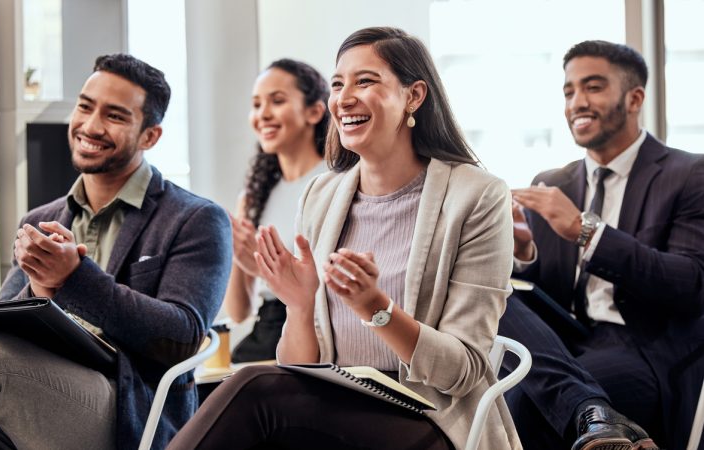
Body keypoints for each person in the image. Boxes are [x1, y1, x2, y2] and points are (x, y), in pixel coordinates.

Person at [167, 27, 520, 450]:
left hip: (432, 418)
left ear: (414, 96)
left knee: (254, 389)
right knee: (252, 390)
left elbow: (461, 371)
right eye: (338, 84)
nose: (344, 97)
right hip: (335, 405)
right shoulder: (323, 195)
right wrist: (298, 307)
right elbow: (300, 366)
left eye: (365, 81)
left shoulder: (477, 196)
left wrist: (376, 308)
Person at [0, 54, 232, 450]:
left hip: (130, 411)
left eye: (115, 116)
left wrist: (72, 279)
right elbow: (2, 327)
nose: (90, 125)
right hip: (31, 401)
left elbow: (182, 336)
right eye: (85, 106)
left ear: (149, 136)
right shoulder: (42, 218)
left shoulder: (196, 219)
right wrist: (39, 292)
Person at [501, 40, 704, 450]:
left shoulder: (690, 174)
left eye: (593, 87)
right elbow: (546, 293)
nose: (577, 102)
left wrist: (585, 230)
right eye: (569, 91)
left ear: (635, 98)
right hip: (562, 344)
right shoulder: (553, 182)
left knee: (524, 405)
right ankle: (591, 412)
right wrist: (524, 253)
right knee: (495, 292)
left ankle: (592, 413)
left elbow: (689, 285)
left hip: (642, 347)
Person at [225, 58, 329, 363]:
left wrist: (262, 269)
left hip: (316, 327)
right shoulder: (253, 198)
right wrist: (240, 258)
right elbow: (238, 311)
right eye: (256, 105)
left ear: (315, 111)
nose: (263, 114)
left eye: (277, 101)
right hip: (266, 329)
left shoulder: (334, 184)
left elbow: (329, 291)